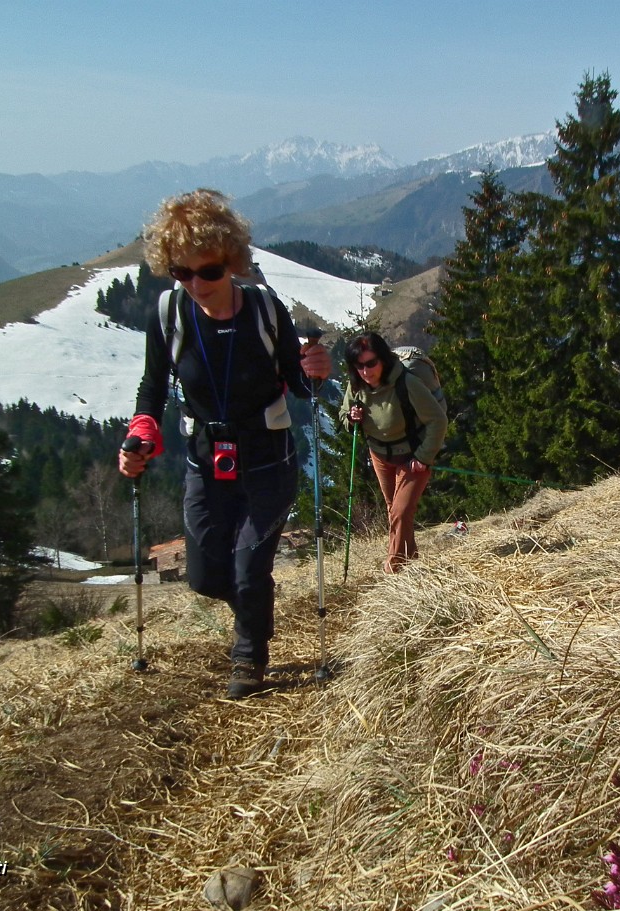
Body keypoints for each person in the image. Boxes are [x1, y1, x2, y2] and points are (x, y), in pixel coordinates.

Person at [118, 189, 332, 700]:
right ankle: (254, 601)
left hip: (268, 455)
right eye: (181, 272)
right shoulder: (169, 314)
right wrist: (142, 430)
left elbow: (296, 384)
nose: (195, 284)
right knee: (204, 576)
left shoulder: (263, 309)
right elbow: (153, 385)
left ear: (231, 262)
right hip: (204, 457)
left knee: (247, 566)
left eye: (208, 272)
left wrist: (316, 375)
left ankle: (250, 654)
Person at [338, 333, 447, 573]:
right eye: (359, 366)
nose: (365, 371)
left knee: (400, 511)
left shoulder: (407, 383)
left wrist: (423, 457)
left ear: (383, 359)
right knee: (395, 510)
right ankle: (411, 561)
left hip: (412, 456)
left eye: (370, 363)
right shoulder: (356, 385)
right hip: (380, 455)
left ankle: (394, 567)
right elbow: (344, 415)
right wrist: (351, 418)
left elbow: (438, 421)